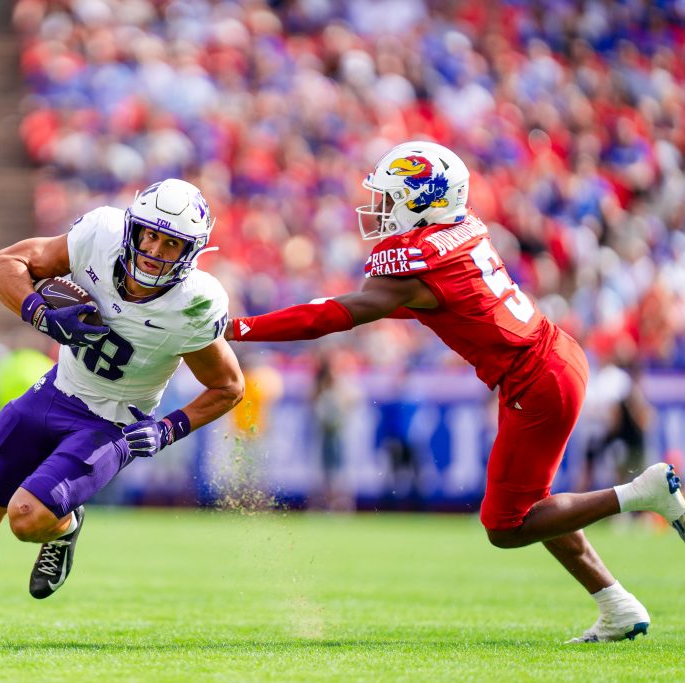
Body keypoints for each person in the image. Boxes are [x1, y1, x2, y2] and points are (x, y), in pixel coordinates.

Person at [225, 141, 685, 643]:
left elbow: (335, 316)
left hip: (537, 378)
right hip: (551, 358)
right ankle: (617, 606)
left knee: (506, 525)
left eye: (389, 198)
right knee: (534, 504)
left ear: (422, 201)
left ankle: (642, 493)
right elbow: (399, 304)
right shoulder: (455, 233)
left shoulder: (416, 260)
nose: (378, 210)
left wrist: (239, 328)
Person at [0, 178, 244, 644]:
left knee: (27, 519)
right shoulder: (99, 236)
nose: (154, 249)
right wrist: (39, 313)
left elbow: (228, 386)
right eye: (150, 234)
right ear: (132, 230)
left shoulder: (194, 304)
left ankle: (65, 525)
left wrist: (169, 428)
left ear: (190, 253)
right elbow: (0, 265)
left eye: (172, 243)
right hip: (57, 389)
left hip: (114, 421)